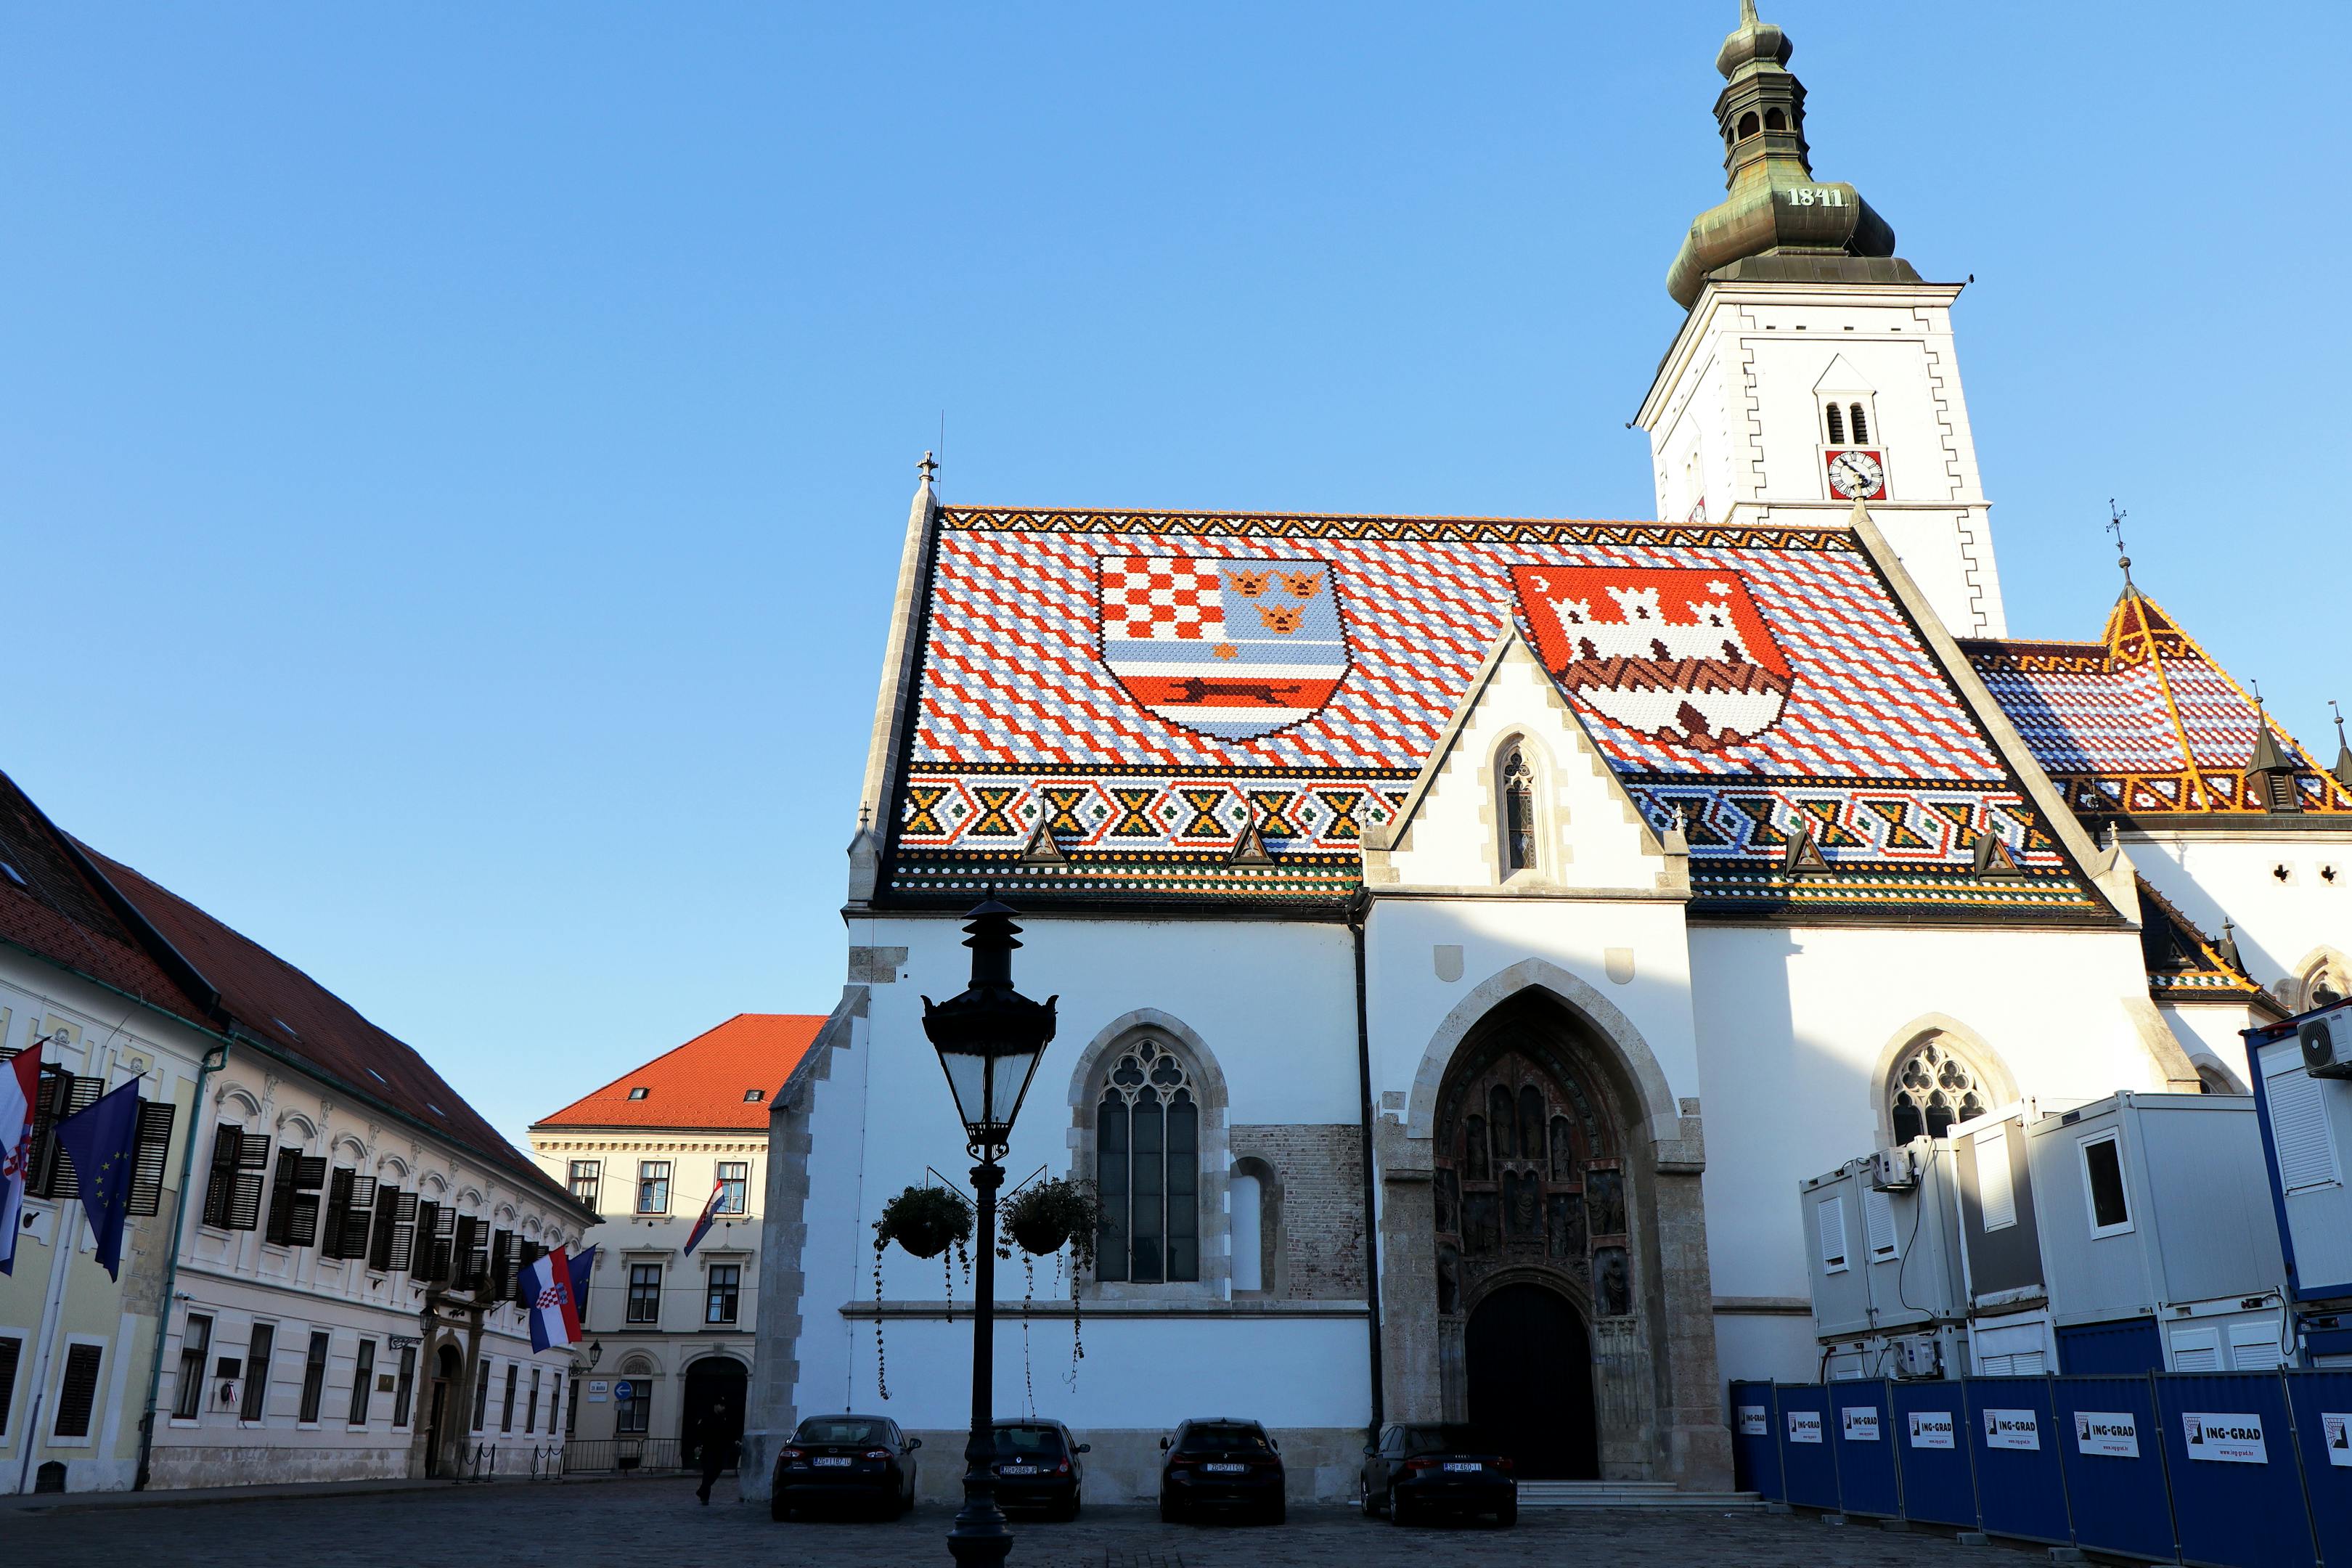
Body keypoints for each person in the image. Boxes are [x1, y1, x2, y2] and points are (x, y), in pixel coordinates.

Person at [695, 1398, 737, 1506]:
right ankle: (705, 1497)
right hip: (708, 1450)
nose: (723, 1408)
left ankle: (702, 1490)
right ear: (715, 1405)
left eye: (724, 1406)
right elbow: (700, 1433)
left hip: (720, 1450)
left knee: (717, 1470)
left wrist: (733, 1442)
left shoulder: (724, 1419)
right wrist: (698, 1445)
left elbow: (727, 1433)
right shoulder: (707, 1418)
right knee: (708, 1472)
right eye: (721, 1405)